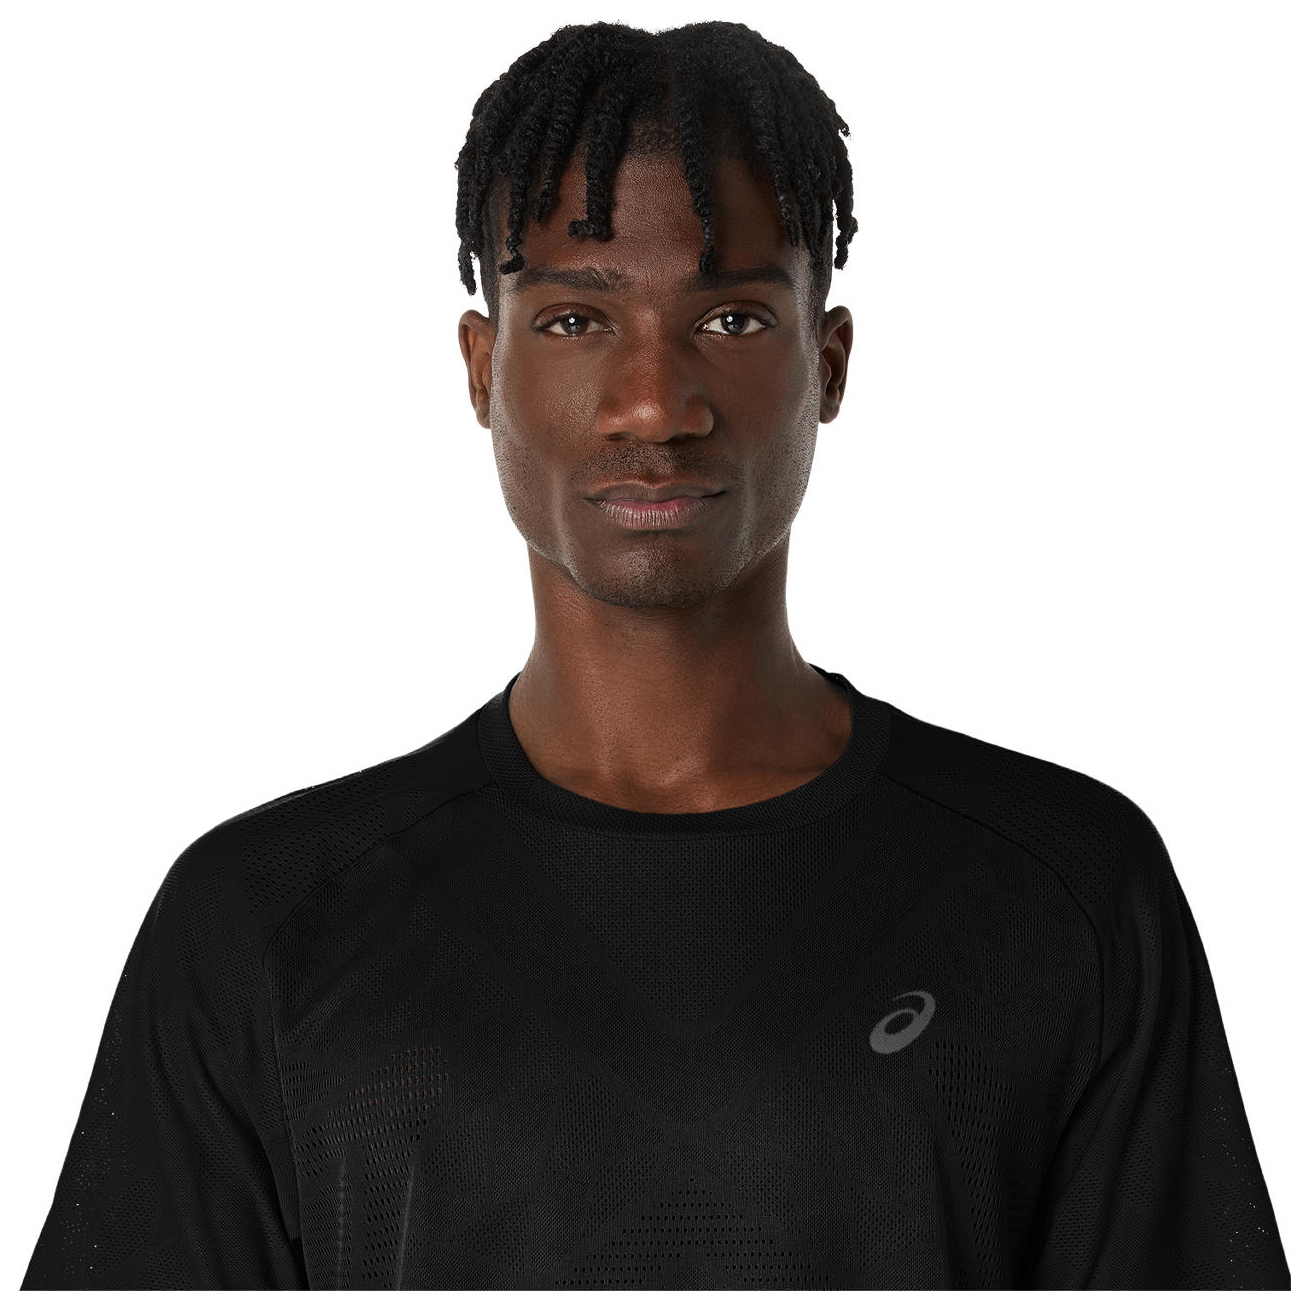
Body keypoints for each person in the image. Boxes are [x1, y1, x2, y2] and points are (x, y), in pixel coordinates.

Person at [23, 19, 1290, 1291]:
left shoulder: (1065, 887)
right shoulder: (261, 919)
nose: (651, 403)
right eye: (575, 319)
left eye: (731, 317)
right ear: (481, 370)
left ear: (828, 363)